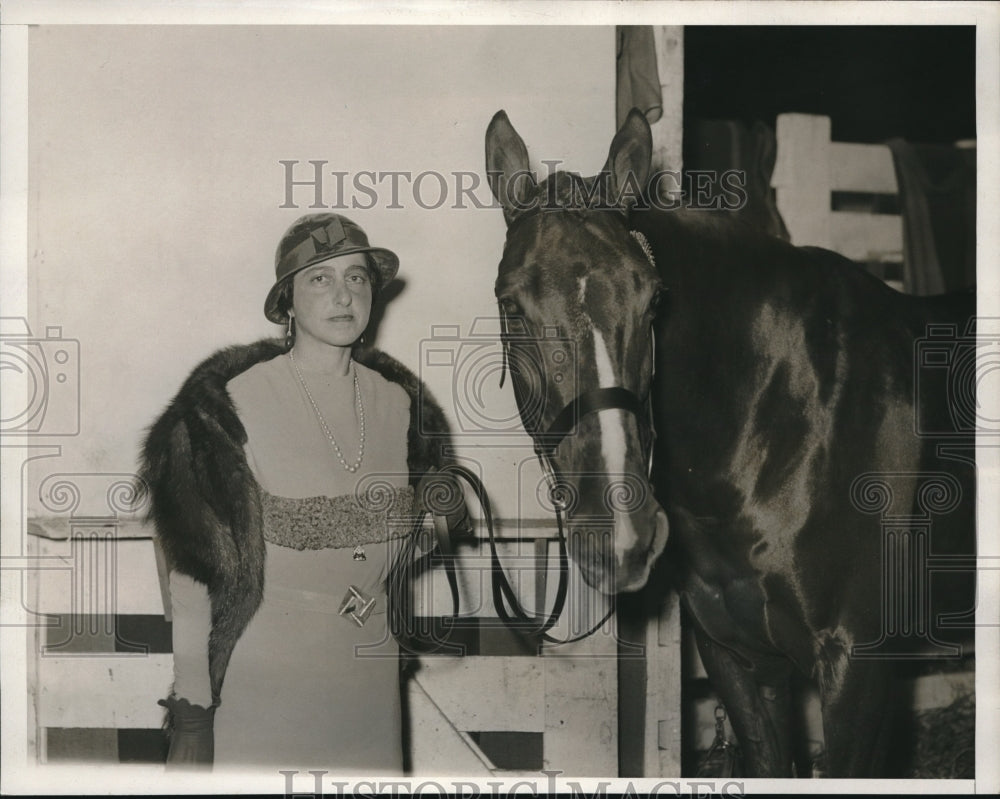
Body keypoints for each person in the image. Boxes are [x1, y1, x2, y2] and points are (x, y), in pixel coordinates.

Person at [141, 213, 463, 772]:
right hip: (268, 677)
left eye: (357, 278)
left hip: (369, 673)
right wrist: (193, 710)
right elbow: (193, 569)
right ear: (286, 301)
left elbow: (397, 546)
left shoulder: (399, 404)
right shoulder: (234, 402)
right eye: (320, 278)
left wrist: (436, 521)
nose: (344, 295)